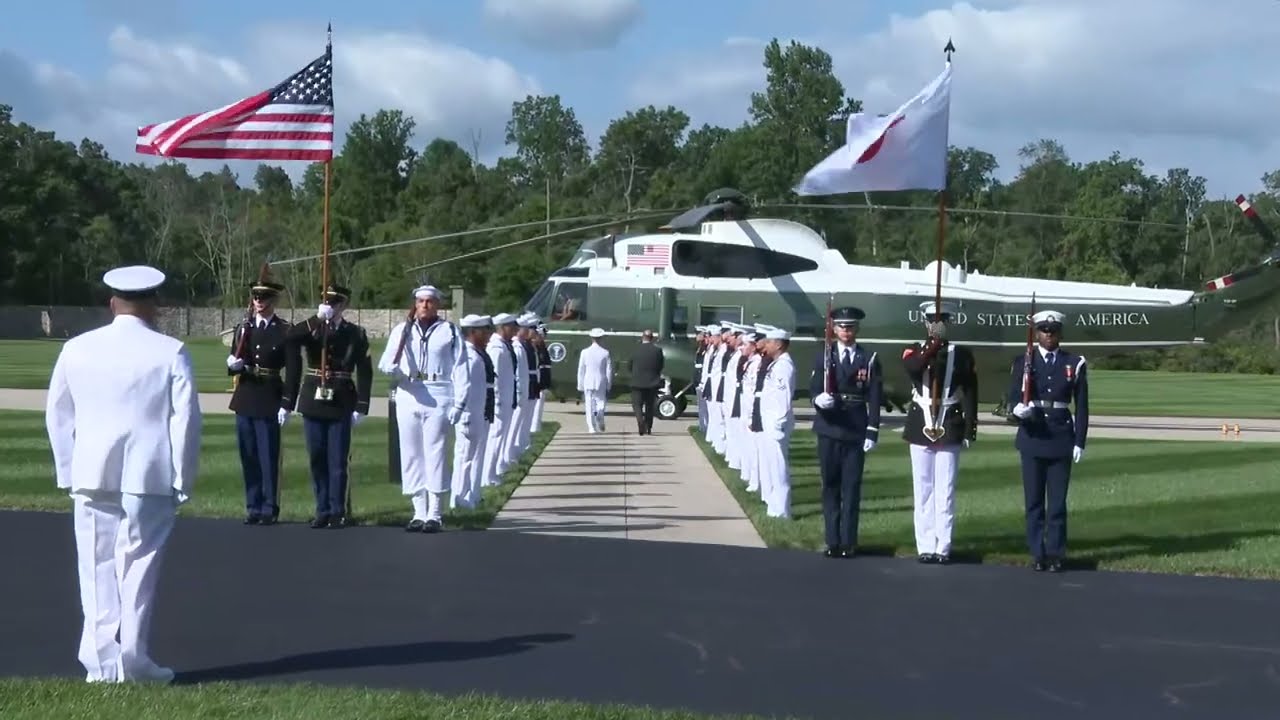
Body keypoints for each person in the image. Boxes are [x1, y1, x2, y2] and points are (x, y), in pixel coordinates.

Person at [45, 264, 202, 684]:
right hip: (148, 474)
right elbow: (184, 421)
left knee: (95, 569)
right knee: (139, 567)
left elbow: (58, 414)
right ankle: (134, 658)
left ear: (112, 302)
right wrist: (183, 478)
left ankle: (101, 664)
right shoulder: (171, 350)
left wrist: (67, 469)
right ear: (153, 304)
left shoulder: (77, 348)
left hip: (92, 471)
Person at [376, 284, 466, 533]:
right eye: (420, 301)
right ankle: (419, 511)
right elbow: (385, 361)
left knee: (435, 452)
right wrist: (392, 370)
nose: (425, 305)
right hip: (409, 391)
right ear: (415, 304)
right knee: (411, 453)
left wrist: (460, 402)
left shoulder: (449, 331)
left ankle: (435, 513)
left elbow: (461, 368)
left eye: (430, 301)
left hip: (438, 391)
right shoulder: (402, 330)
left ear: (437, 305)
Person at [1006, 309, 1089, 573]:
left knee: (1056, 503)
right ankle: (1037, 553)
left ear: (1060, 334)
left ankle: (1055, 553)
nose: (1048, 335)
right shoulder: (1024, 361)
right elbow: (1012, 398)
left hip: (1060, 435)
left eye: (1053, 332)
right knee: (1033, 502)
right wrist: (1017, 410)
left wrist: (1080, 441)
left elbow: (1083, 406)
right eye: (1043, 331)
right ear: (1037, 333)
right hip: (1033, 434)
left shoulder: (1073, 363)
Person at [285, 282, 373, 529]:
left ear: (344, 305)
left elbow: (365, 371)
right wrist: (316, 319)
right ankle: (321, 509)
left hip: (341, 398)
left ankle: (337, 510)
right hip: (313, 399)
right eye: (326, 301)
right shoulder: (312, 329)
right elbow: (290, 338)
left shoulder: (355, 333)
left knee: (337, 460)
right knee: (317, 457)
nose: (330, 306)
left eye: (335, 302)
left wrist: (362, 406)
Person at [901, 300, 978, 564]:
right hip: (920, 421)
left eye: (943, 321)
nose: (938, 325)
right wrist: (932, 346)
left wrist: (970, 428)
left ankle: (943, 546)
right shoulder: (913, 350)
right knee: (923, 489)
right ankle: (925, 545)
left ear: (950, 323)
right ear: (925, 323)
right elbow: (914, 369)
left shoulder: (962, 354)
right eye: (933, 321)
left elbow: (970, 391)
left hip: (950, 422)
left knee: (944, 489)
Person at [225, 270, 299, 525]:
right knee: (249, 456)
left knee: (268, 457)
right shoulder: (243, 328)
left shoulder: (284, 330)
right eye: (256, 296)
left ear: (273, 300)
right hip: (246, 396)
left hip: (269, 396)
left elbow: (293, 371)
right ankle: (253, 506)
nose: (259, 300)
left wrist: (287, 404)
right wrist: (233, 365)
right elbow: (237, 359)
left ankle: (269, 507)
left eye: (264, 296)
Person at [810, 306, 882, 558]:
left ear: (857, 329)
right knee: (830, 485)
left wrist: (872, 430)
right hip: (829, 427)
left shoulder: (869, 357)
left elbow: (874, 396)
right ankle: (832, 540)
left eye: (850, 327)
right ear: (834, 329)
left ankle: (849, 542)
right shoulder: (824, 356)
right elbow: (813, 388)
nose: (846, 331)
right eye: (841, 327)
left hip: (854, 428)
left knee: (851, 488)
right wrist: (818, 399)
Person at [449, 314, 495, 510]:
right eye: (484, 332)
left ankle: (468, 496)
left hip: (478, 412)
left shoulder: (477, 354)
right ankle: (458, 499)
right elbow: (461, 388)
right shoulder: (467, 356)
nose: (488, 336)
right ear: (473, 332)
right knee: (464, 458)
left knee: (471, 457)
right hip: (469, 415)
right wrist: (465, 414)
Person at [756, 327, 796, 518]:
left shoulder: (783, 366)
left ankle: (782, 509)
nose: (767, 344)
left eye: (770, 341)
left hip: (776, 423)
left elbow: (783, 397)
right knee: (773, 465)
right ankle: (774, 505)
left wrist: (779, 422)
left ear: (779, 344)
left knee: (779, 466)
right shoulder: (776, 364)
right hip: (770, 420)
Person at [482, 313, 519, 486]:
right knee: (495, 437)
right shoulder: (496, 348)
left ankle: (493, 471)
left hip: (505, 398)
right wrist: (496, 400)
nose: (515, 329)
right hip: (499, 400)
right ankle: (488, 475)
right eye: (512, 326)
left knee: (499, 437)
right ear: (504, 327)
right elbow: (494, 376)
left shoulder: (504, 346)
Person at [628, 329, 665, 434]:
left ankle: (640, 421)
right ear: (652, 338)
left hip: (637, 382)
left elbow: (629, 365)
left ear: (642, 337)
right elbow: (660, 365)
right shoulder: (657, 351)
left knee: (637, 405)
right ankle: (648, 426)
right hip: (652, 382)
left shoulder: (636, 350)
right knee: (649, 406)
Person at [577, 327, 612, 432]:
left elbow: (581, 369)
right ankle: (600, 414)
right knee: (601, 401)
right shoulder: (605, 353)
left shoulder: (584, 352)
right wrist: (609, 384)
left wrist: (580, 384)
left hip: (588, 380)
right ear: (601, 338)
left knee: (589, 403)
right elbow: (609, 370)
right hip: (601, 380)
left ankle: (591, 427)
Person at [531, 323, 552, 433]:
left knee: (539, 405)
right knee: (536, 405)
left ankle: (536, 426)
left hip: (543, 377)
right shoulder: (537, 347)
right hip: (539, 377)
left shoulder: (542, 347)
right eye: (542, 334)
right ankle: (534, 427)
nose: (543, 337)